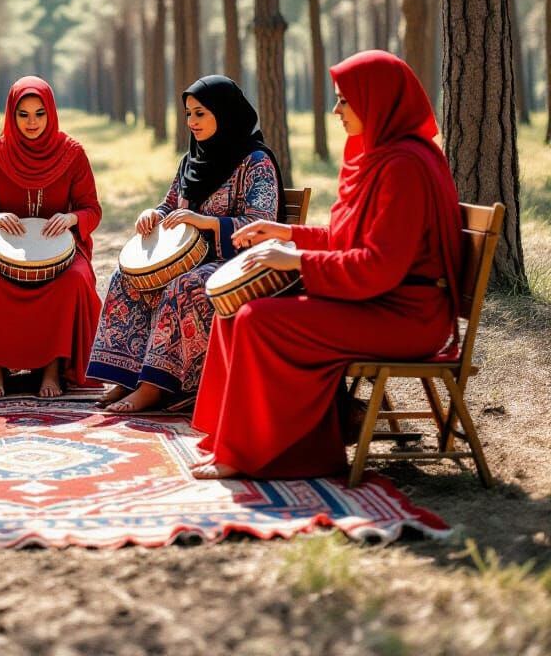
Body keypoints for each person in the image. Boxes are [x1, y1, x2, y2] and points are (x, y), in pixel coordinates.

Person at [189, 50, 463, 480]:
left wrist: (296, 260)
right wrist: (284, 233)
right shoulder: (380, 156)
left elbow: (379, 266)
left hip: (406, 315)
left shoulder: (405, 167)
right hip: (380, 301)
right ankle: (232, 440)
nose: (336, 110)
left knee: (260, 320)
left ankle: (266, 452)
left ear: (379, 101)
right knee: (234, 313)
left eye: (345, 100)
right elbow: (348, 239)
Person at [87, 76, 283, 414]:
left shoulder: (256, 162)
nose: (191, 122)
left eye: (201, 114)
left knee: (184, 286)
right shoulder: (192, 160)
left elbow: (260, 226)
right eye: (188, 114)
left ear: (224, 113)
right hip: (191, 258)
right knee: (128, 277)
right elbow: (170, 206)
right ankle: (127, 376)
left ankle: (154, 387)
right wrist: (152, 214)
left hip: (238, 262)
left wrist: (205, 223)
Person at [0, 76, 102, 398]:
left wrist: (72, 217)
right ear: (11, 114)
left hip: (61, 251)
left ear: (51, 113)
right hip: (1, 251)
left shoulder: (72, 153)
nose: (32, 122)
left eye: (40, 113)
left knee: (75, 281)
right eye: (23, 114)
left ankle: (52, 370)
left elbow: (92, 208)